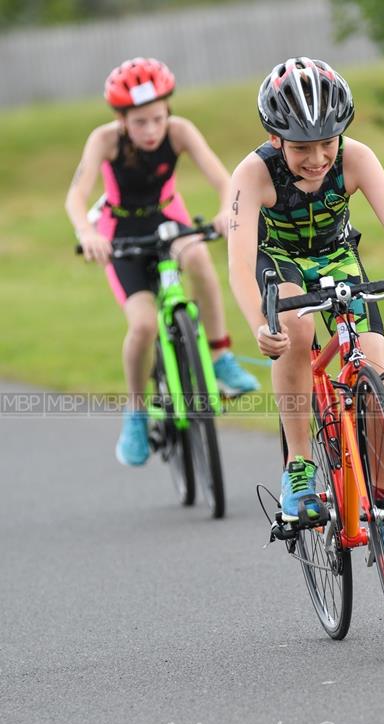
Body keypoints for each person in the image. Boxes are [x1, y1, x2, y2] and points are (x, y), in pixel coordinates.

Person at [228, 57, 384, 577]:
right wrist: (260, 323)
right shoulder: (253, 173)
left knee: (379, 372)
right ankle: (299, 465)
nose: (318, 157)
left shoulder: (356, 158)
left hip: (338, 257)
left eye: (328, 142)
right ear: (275, 137)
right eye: (303, 147)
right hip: (277, 264)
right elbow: (238, 262)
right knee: (297, 325)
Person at [66, 57, 259, 467]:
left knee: (202, 260)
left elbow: (225, 181)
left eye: (157, 118)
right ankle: (137, 412)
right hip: (121, 234)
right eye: (139, 122)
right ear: (121, 119)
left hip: (169, 221)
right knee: (143, 325)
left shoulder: (180, 131)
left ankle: (220, 355)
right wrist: (87, 233)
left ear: (167, 110)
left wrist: (227, 211)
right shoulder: (104, 141)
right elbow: (76, 196)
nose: (151, 130)